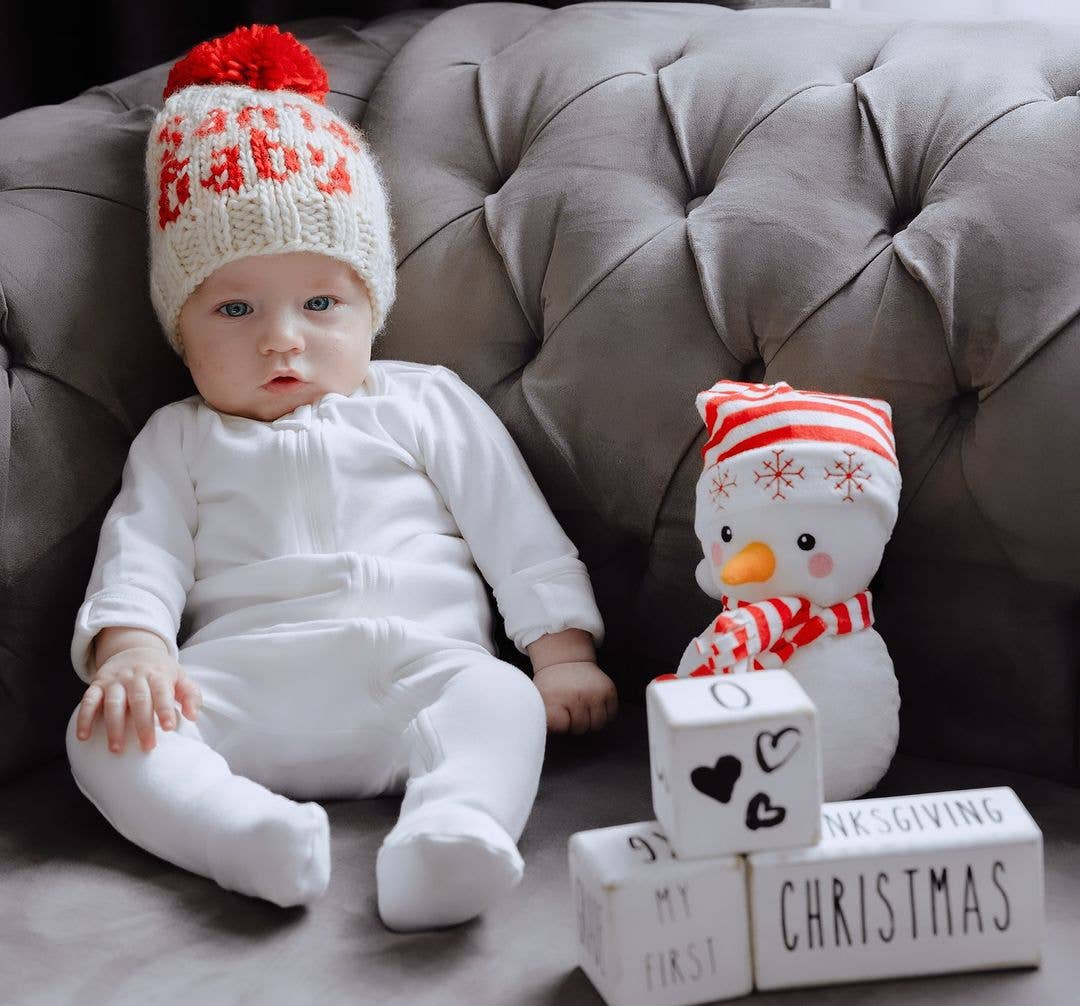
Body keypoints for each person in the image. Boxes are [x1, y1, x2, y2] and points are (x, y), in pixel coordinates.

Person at [64, 24, 617, 932]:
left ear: (371, 307)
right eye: (235, 308)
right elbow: (141, 557)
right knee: (105, 736)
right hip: (239, 684)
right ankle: (241, 832)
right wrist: (133, 655)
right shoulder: (177, 438)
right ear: (180, 329)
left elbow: (511, 526)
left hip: (417, 671)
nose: (282, 337)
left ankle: (452, 832)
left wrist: (561, 653)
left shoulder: (424, 402)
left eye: (321, 303)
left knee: (499, 698)